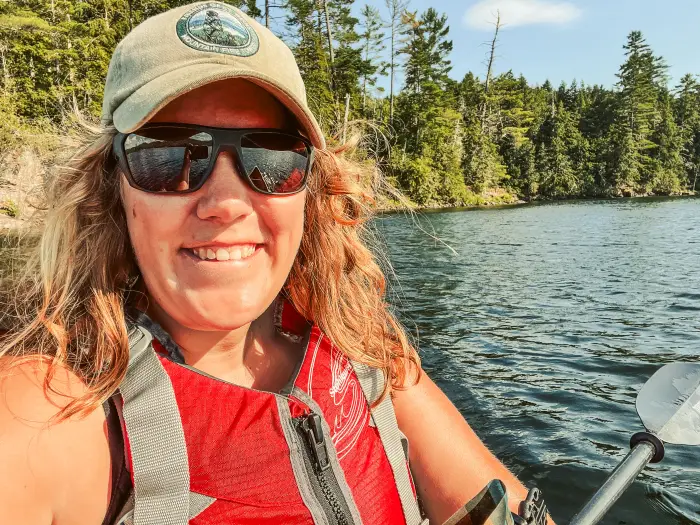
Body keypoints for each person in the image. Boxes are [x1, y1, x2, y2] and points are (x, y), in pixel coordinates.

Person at [0, 2, 551, 525]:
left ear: (308, 192)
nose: (226, 204)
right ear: (112, 190)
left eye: (271, 158)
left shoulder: (364, 351)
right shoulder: (47, 413)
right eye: (168, 156)